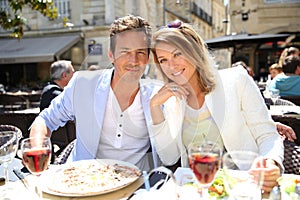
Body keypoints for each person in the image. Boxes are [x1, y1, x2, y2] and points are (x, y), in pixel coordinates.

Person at [150, 20, 283, 192]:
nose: (171, 66)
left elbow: (268, 136)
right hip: (197, 190)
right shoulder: (172, 100)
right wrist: (154, 107)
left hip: (245, 186)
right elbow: (169, 158)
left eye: (178, 54)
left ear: (195, 52)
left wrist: (270, 162)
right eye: (163, 60)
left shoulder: (236, 80)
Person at [29, 15, 161, 172]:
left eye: (140, 51)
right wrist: (38, 148)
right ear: (111, 55)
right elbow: (45, 120)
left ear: (148, 57)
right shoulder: (83, 84)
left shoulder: (157, 96)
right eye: (125, 51)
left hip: (138, 186)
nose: (133, 60)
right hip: (84, 181)